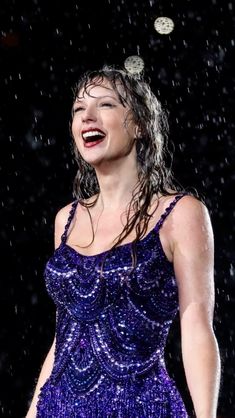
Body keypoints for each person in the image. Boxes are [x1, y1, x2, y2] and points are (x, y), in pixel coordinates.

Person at [26, 66, 221, 417]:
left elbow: (196, 330)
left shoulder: (181, 213)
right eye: (77, 109)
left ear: (140, 124)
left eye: (105, 105)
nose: (87, 116)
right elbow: (64, 338)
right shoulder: (65, 220)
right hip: (59, 408)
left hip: (139, 407)